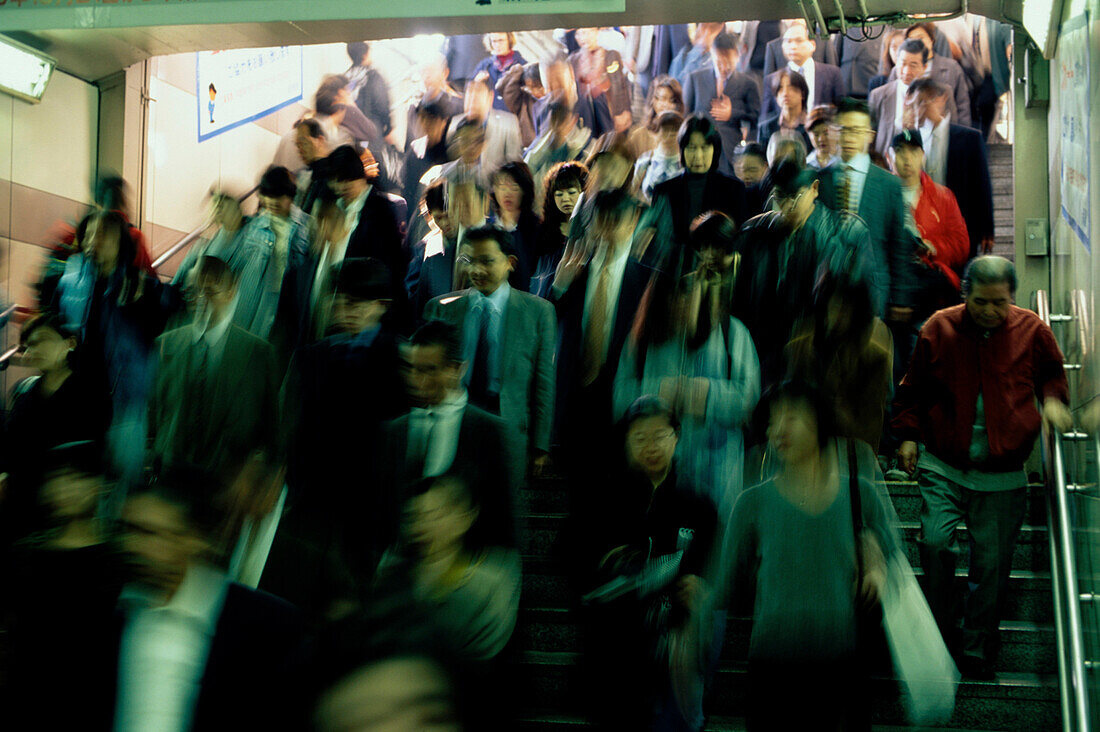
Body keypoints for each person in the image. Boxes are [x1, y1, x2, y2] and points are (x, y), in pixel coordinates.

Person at [893, 256, 1071, 679]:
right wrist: (906, 435)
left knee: (990, 569)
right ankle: (938, 635)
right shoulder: (939, 326)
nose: (989, 311)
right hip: (944, 463)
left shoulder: (1033, 330)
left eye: (999, 303)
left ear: (1011, 298)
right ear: (964, 294)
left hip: (1003, 472)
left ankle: (976, 649)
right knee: (935, 543)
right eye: (980, 301)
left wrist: (1051, 403)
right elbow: (912, 386)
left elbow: (1053, 378)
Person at [726, 379, 900, 730]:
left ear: (819, 422)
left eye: (791, 417)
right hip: (772, 665)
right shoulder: (752, 503)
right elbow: (725, 585)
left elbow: (894, 563)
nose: (779, 430)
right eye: (773, 421)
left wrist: (877, 566)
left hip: (841, 663)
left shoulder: (860, 494)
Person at [110, 473, 303, 731]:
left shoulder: (266, 625)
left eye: (147, 532)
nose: (129, 544)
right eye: (126, 529)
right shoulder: (112, 612)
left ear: (194, 539)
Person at [572, 396, 718, 730]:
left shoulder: (699, 503)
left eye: (659, 436)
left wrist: (701, 583)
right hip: (612, 649)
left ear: (676, 437)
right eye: (639, 438)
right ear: (626, 440)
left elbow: (715, 566)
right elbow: (574, 561)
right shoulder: (602, 499)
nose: (650, 446)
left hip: (670, 649)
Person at [615, 214, 760, 511]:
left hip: (719, 483)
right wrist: (659, 393)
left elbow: (750, 400)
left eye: (693, 290)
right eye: (677, 294)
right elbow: (620, 399)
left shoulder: (732, 334)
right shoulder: (643, 341)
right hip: (654, 482)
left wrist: (708, 395)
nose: (686, 301)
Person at [372, 320, 519, 569]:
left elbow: (502, 518)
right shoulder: (395, 431)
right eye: (412, 369)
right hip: (401, 574)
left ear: (457, 369)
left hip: (467, 575)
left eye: (429, 370)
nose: (417, 380)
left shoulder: (489, 432)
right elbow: (381, 509)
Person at [0, 443, 124, 730]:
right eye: (58, 477)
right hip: (28, 701)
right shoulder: (24, 556)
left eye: (79, 477)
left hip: (94, 704)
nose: (67, 488)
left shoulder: (117, 560)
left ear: (102, 484)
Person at [54, 209, 169, 507]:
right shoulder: (70, 280)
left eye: (103, 235)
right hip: (80, 397)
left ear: (121, 243)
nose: (94, 241)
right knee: (81, 485)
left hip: (125, 402)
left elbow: (160, 325)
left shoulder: (139, 285)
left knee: (122, 487)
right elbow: (56, 325)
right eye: (89, 234)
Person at [423, 225, 555, 478]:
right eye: (468, 261)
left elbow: (543, 384)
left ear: (510, 263)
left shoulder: (538, 312)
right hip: (455, 420)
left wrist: (540, 445)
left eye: (486, 261)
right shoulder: (442, 309)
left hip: (509, 422)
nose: (475, 270)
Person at [731, 158, 875, 390]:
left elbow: (862, 307)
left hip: (820, 356)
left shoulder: (846, 234)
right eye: (779, 198)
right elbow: (742, 301)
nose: (786, 208)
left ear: (814, 189)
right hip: (765, 353)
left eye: (794, 198)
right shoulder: (754, 234)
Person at [551, 189, 657, 469]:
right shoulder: (571, 271)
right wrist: (558, 288)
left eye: (615, 221)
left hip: (625, 404)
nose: (606, 230)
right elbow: (546, 326)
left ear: (632, 222)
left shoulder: (648, 280)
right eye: (600, 221)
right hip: (575, 405)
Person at [148, 255, 280, 479]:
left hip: (226, 481)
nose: (200, 299)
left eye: (209, 291)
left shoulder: (258, 354)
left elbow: (269, 430)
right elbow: (154, 414)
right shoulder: (165, 344)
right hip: (171, 474)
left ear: (230, 294)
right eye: (193, 291)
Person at [379, 474, 522, 661]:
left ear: (465, 518)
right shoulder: (393, 571)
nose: (421, 527)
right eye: (414, 517)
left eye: (435, 516)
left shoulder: (488, 584)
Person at [1, 314, 111, 548]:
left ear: (69, 343)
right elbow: (9, 445)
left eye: (43, 340)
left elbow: (90, 451)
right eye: (30, 344)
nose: (35, 349)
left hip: (64, 505)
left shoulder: (89, 394)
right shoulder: (24, 391)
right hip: (20, 502)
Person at [816, 98, 922, 325]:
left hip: (874, 290)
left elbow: (899, 244)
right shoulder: (819, 181)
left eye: (856, 131)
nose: (849, 138)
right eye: (842, 130)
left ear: (870, 135)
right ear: (833, 132)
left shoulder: (889, 185)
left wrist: (901, 297)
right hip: (827, 291)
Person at [785, 271, 894, 452]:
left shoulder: (874, 357)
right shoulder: (800, 347)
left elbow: (870, 428)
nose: (839, 314)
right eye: (835, 304)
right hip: (805, 451)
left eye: (847, 307)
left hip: (849, 454)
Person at [641, 115, 748, 276]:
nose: (698, 156)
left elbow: (740, 239)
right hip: (674, 275)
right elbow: (660, 242)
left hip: (720, 276)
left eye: (705, 147)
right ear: (682, 150)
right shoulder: (664, 190)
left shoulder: (733, 188)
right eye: (691, 147)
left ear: (715, 149)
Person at [228, 165, 313, 358]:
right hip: (253, 299)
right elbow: (238, 264)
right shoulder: (254, 226)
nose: (272, 202)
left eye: (279, 196)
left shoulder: (306, 227)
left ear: (290, 196)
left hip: (287, 304)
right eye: (268, 196)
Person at [906, 77, 995, 259]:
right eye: (912, 105)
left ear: (939, 99)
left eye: (920, 103)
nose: (915, 111)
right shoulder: (913, 139)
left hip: (961, 223)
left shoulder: (969, 138)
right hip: (924, 225)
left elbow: (982, 184)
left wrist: (987, 228)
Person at [327, 145, 410, 333]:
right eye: (336, 181)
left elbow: (392, 266)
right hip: (339, 310)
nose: (341, 187)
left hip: (366, 313)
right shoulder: (333, 208)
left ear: (361, 175)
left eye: (348, 179)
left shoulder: (382, 209)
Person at [890, 128, 970, 316]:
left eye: (914, 152)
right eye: (900, 151)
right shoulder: (883, 194)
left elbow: (962, 245)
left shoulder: (943, 197)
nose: (907, 158)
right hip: (896, 286)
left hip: (934, 286)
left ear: (923, 157)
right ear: (891, 157)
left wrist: (933, 247)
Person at [682, 31, 761, 175]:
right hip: (701, 152)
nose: (723, 67)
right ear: (712, 55)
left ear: (737, 57)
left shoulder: (748, 83)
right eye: (719, 62)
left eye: (728, 62)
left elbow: (756, 118)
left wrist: (733, 114)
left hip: (732, 153)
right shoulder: (695, 79)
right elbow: (686, 117)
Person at [870, 38, 963, 158]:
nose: (906, 71)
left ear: (924, 67)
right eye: (902, 63)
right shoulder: (878, 95)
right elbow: (871, 137)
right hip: (888, 165)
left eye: (913, 65)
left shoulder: (941, 93)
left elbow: (952, 131)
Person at [172, 188, 248, 311]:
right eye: (216, 206)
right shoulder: (213, 239)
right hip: (199, 299)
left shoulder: (248, 238)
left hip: (220, 302)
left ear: (236, 208)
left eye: (222, 205)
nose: (218, 210)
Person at [759, 22, 845, 124]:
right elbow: (766, 116)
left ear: (812, 45)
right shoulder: (772, 79)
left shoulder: (832, 73)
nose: (793, 46)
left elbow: (841, 110)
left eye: (799, 40)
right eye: (788, 41)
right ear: (782, 46)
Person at [531, 161, 588, 298]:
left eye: (571, 192)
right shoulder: (543, 232)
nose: (565, 199)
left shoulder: (590, 230)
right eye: (559, 194)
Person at [898, 23, 972, 127]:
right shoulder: (899, 70)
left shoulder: (951, 68)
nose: (917, 42)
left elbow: (962, 106)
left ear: (931, 40)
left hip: (943, 129)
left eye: (921, 37)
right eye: (911, 39)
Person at [445, 78, 523, 177]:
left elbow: (515, 169)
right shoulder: (454, 125)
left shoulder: (508, 125)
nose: (472, 98)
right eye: (469, 92)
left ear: (490, 97)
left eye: (478, 92)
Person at [407, 179, 462, 318]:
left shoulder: (476, 240)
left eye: (448, 216)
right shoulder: (425, 247)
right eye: (438, 218)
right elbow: (415, 295)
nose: (444, 223)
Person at [524, 101, 595, 204]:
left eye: (562, 121)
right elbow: (527, 170)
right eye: (555, 120)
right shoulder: (543, 145)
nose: (559, 126)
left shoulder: (585, 146)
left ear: (574, 120)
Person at [487, 161, 540, 290]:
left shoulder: (536, 228)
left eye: (514, 188)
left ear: (524, 191)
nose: (507, 194)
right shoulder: (488, 228)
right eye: (502, 187)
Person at [570, 27, 634, 132]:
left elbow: (619, 85)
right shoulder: (573, 60)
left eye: (587, 32)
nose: (583, 38)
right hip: (586, 117)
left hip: (608, 113)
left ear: (597, 32)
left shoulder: (611, 55)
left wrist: (622, 111)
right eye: (579, 34)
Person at [402, 100, 455, 217]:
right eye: (422, 118)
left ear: (443, 122)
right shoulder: (415, 149)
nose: (426, 124)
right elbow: (407, 188)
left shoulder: (450, 154)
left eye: (431, 119)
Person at [406, 53, 464, 149]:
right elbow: (410, 145)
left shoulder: (457, 106)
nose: (427, 76)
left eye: (431, 71)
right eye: (423, 71)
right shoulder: (414, 108)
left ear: (445, 73)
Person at [632, 110, 685, 202]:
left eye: (675, 129)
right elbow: (633, 191)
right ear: (655, 132)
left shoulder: (687, 162)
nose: (670, 134)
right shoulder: (645, 160)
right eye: (666, 129)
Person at [627, 74, 685, 157]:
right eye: (663, 99)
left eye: (672, 101)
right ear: (654, 101)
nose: (666, 105)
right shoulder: (638, 136)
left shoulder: (683, 136)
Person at [345, 41, 394, 139]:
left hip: (350, 133)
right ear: (365, 54)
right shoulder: (372, 76)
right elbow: (382, 103)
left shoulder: (345, 77)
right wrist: (388, 127)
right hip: (371, 130)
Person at [757, 68, 813, 152]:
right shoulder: (766, 127)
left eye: (790, 88)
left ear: (802, 93)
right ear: (776, 97)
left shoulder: (812, 125)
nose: (785, 93)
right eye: (780, 89)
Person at [473, 32, 528, 112]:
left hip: (514, 116)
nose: (497, 45)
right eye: (494, 41)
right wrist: (476, 81)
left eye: (501, 40)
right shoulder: (484, 65)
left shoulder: (523, 66)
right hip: (490, 115)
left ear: (509, 40)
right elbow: (470, 89)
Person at [497, 61, 546, 148]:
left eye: (537, 86)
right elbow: (501, 87)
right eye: (530, 87)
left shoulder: (553, 99)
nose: (534, 91)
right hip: (530, 149)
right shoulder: (524, 101)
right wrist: (519, 70)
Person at [291, 118, 333, 216]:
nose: (300, 150)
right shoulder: (304, 173)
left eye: (304, 143)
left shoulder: (332, 174)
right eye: (297, 145)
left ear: (320, 140)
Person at [668, 22, 726, 87]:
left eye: (712, 29)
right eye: (704, 27)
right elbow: (671, 88)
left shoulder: (724, 58)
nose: (706, 32)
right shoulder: (684, 56)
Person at [867, 28, 906, 95]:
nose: (897, 52)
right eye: (894, 47)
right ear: (888, 52)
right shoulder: (877, 83)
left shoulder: (917, 82)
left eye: (902, 46)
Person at [735, 143, 770, 215]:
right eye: (742, 170)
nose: (746, 176)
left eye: (752, 170)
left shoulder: (771, 197)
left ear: (765, 167)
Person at [805, 103, 839, 169]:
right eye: (816, 134)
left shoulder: (844, 162)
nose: (821, 139)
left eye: (826, 133)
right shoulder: (805, 165)